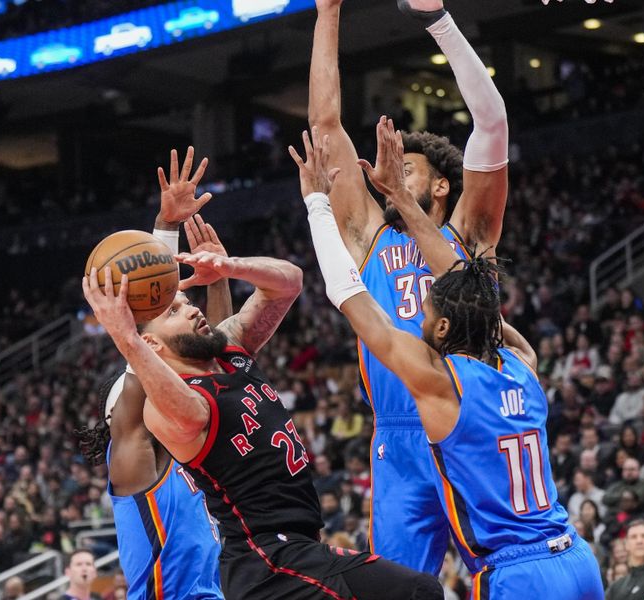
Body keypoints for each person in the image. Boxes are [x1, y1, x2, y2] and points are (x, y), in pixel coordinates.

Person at [292, 127, 601, 598]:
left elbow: (350, 297)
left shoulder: (440, 384)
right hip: (573, 556)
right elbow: (487, 316)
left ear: (439, 332)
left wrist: (317, 205)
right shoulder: (523, 366)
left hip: (515, 572)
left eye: (427, 311)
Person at [81, 234, 443, 597]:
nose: (192, 309)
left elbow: (289, 283)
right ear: (152, 345)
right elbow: (191, 415)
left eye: (187, 301)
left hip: (295, 549)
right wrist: (125, 336)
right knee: (416, 592)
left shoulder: (230, 349)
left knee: (418, 590)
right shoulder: (165, 409)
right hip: (267, 562)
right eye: (174, 312)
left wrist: (230, 267)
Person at [308, 0, 508, 574]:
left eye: (407, 169)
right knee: (400, 587)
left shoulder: (470, 232)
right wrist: (327, 13)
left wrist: (437, 17)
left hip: (470, 423)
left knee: (499, 575)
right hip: (396, 440)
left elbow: (492, 122)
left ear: (442, 184)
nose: (385, 171)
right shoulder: (371, 237)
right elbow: (325, 127)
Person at [76, 148, 224, 600]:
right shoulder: (138, 460)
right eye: (174, 307)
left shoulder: (186, 443)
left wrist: (216, 278)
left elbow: (212, 355)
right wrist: (165, 231)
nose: (188, 306)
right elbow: (142, 355)